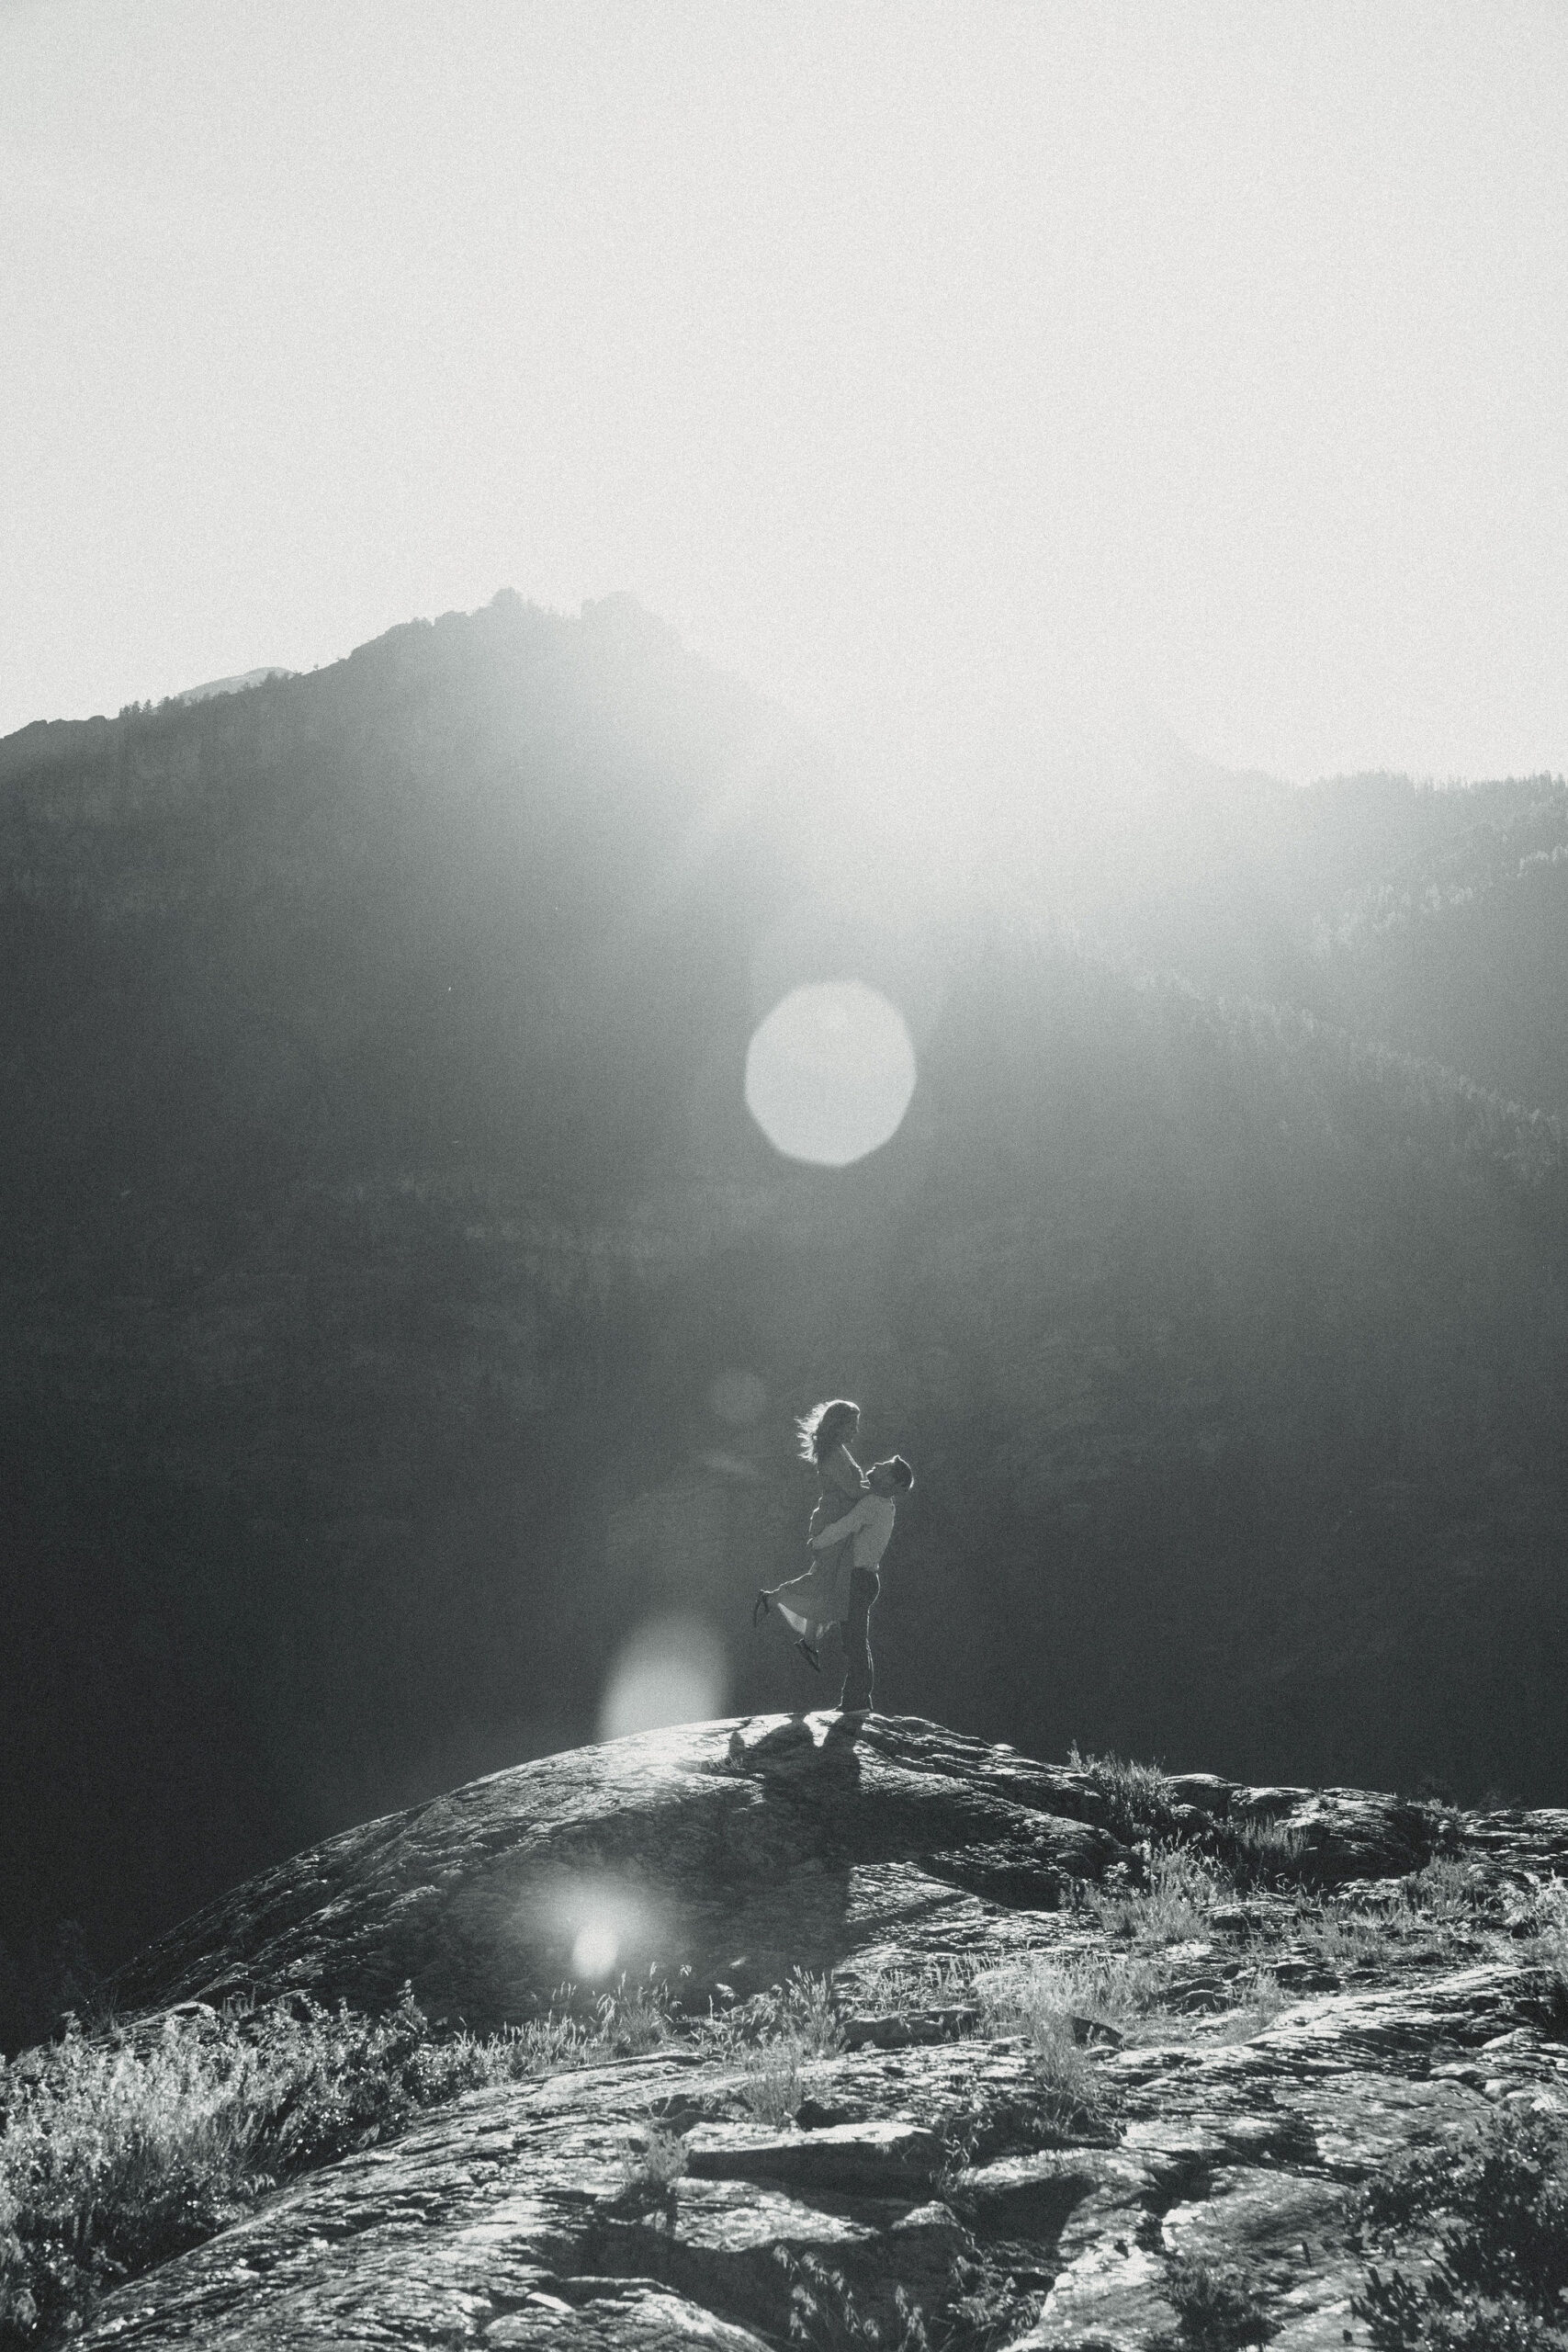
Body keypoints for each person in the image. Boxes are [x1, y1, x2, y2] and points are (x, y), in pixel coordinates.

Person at [753, 1398, 867, 1672]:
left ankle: (809, 1641)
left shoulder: (837, 1450)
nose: (856, 1431)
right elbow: (853, 1491)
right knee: (823, 1580)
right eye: (852, 1425)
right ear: (838, 1425)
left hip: (838, 1523)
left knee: (830, 1586)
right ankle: (773, 1598)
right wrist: (880, 1490)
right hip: (832, 1524)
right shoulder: (835, 1455)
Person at [808, 1454, 913, 1714]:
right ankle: (856, 1701)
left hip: (858, 1581)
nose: (876, 1465)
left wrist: (817, 1542)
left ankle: (857, 1703)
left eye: (885, 1468)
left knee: (853, 1642)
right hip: (864, 1580)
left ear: (893, 1484)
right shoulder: (882, 1503)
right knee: (855, 1641)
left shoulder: (873, 1504)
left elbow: (845, 1526)